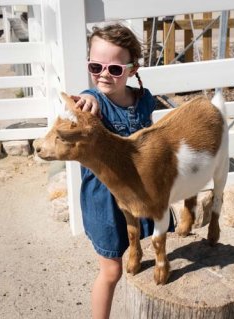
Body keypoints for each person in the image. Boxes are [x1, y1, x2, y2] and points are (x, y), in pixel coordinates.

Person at [72, 23, 174, 319]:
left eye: (114, 69)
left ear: (132, 69)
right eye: (95, 65)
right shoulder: (91, 104)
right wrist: (86, 100)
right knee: (112, 269)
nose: (104, 74)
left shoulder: (144, 100)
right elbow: (82, 102)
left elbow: (153, 142)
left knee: (146, 252)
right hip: (105, 200)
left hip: (140, 190)